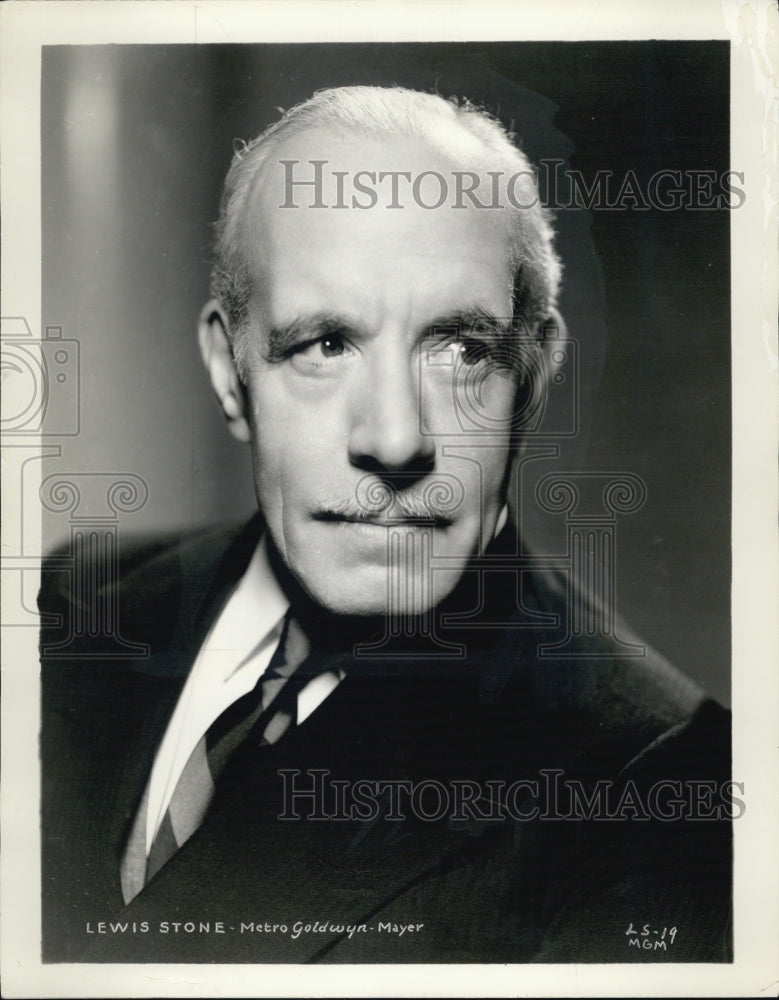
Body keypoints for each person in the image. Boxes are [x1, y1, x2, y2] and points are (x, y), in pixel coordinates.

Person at [39, 85, 732, 964]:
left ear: (535, 377)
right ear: (228, 370)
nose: (396, 438)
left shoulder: (658, 787)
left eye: (464, 351)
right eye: (325, 345)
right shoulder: (75, 604)